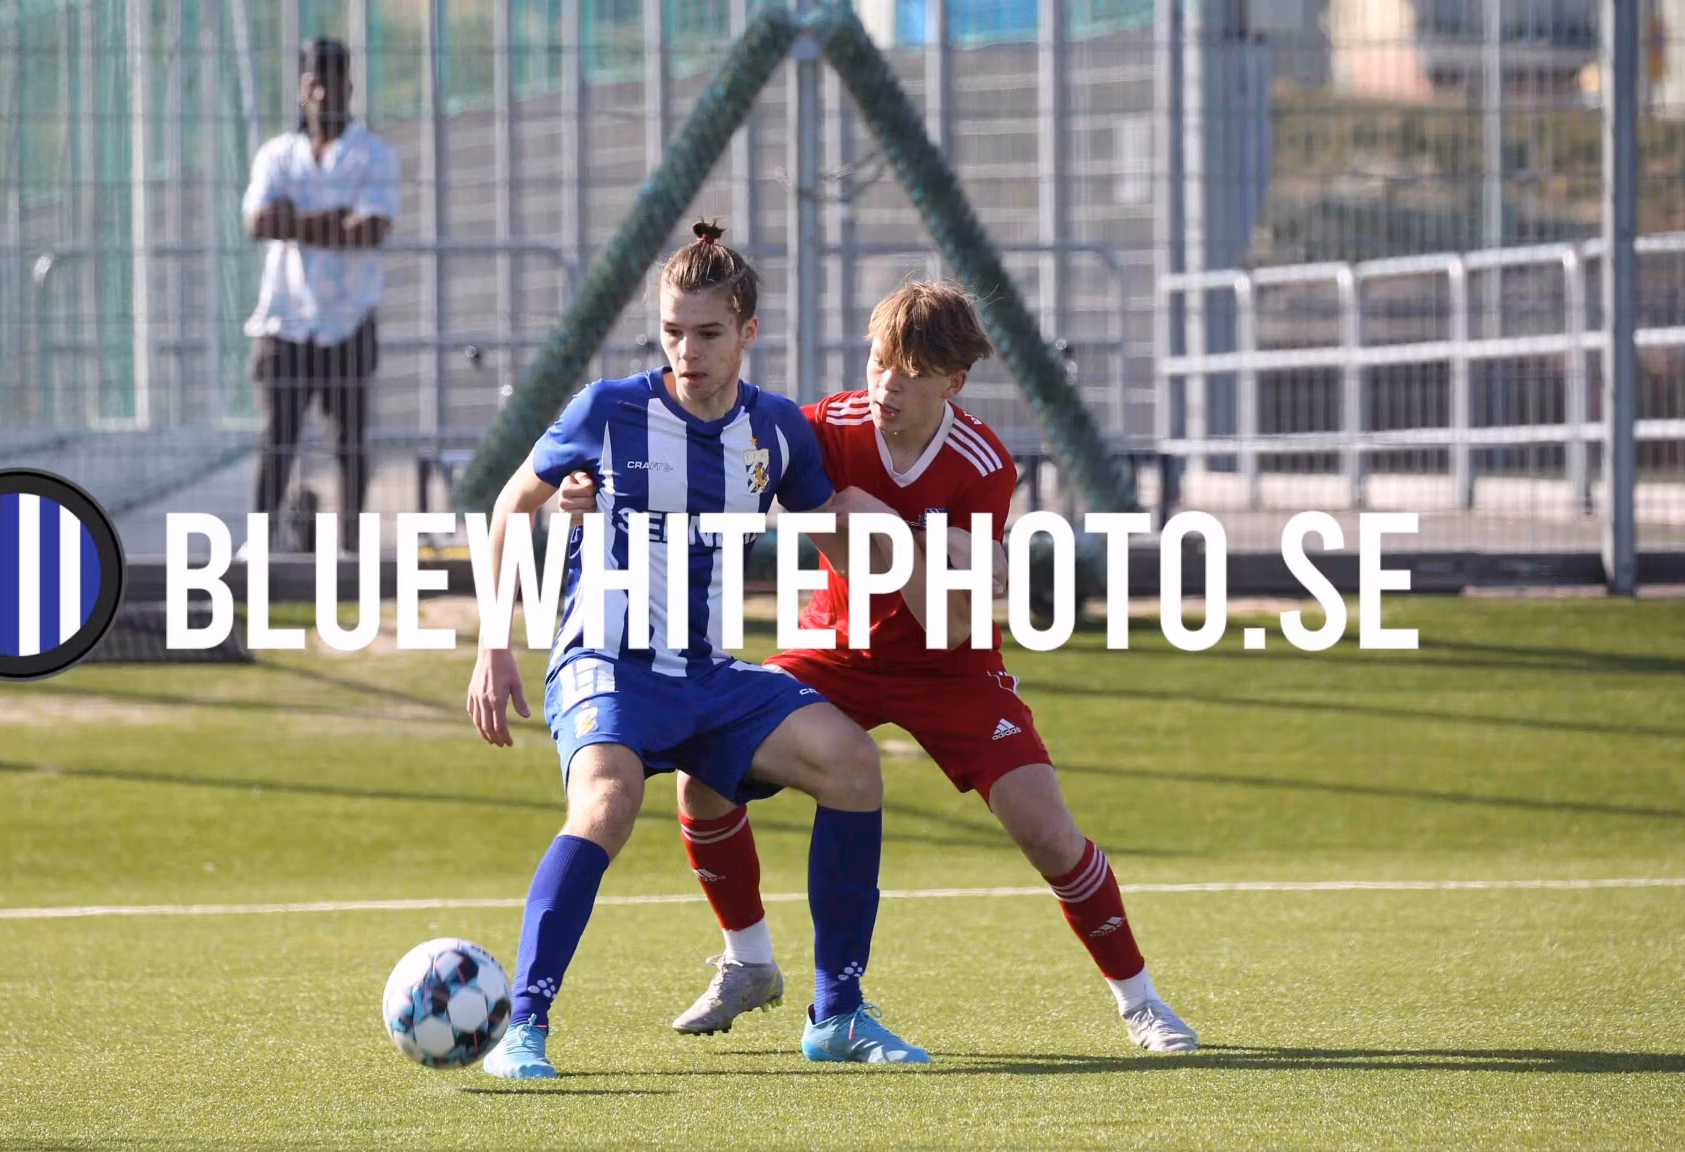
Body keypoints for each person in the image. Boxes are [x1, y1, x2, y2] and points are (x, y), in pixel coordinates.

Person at [559, 280, 1200, 1053]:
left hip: (950, 665)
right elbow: (716, 464)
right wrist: (592, 490)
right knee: (704, 782)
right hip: (838, 646)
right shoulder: (825, 427)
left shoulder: (983, 464)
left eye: (912, 373)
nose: (887, 385)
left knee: (1047, 830)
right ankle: (749, 962)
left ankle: (1140, 1001)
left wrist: (894, 535)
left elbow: (950, 622)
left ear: (953, 383)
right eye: (878, 362)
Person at [465, 223, 931, 1080]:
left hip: (710, 673)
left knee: (852, 765)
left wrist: (919, 559)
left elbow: (829, 522)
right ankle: (521, 1027)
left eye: (709, 333)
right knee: (606, 802)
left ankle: (837, 1015)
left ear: (748, 331)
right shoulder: (607, 410)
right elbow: (511, 505)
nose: (687, 352)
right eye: (673, 331)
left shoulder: (776, 428)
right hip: (606, 660)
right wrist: (494, 645)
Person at [240, 37, 399, 557]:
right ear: (301, 90)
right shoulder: (277, 155)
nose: (323, 94)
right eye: (314, 84)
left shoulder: (372, 154)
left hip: (348, 320)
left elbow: (369, 230)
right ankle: (261, 542)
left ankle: (350, 545)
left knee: (349, 440)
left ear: (348, 89)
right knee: (277, 437)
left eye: (333, 84)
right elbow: (257, 222)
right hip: (284, 319)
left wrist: (293, 220)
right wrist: (332, 220)